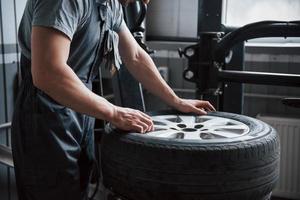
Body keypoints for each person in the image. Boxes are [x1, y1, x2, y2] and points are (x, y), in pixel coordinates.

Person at [11, 0, 216, 199]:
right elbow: (48, 72)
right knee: (51, 189)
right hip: (44, 110)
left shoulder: (110, 4)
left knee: (77, 185)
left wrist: (176, 100)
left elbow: (134, 55)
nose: (145, 2)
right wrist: (114, 112)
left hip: (80, 106)